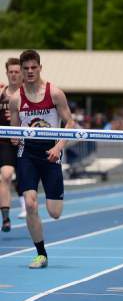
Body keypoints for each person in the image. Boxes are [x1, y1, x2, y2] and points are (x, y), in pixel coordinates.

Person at [9, 49, 75, 268]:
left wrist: (59, 146)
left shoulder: (54, 93)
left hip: (50, 154)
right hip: (27, 154)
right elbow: (13, 129)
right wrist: (14, 138)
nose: (29, 72)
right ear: (21, 71)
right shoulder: (16, 98)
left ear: (39, 68)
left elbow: (70, 123)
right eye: (25, 68)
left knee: (54, 213)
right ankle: (41, 253)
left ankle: (54, 194)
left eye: (33, 68)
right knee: (30, 204)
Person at [1, 58, 24, 231]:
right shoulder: (1, 93)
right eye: (11, 72)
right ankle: (6, 218)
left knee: (24, 180)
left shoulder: (28, 93)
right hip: (5, 140)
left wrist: (18, 118)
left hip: (24, 140)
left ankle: (27, 204)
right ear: (7, 73)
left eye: (17, 72)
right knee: (6, 174)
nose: (14, 75)